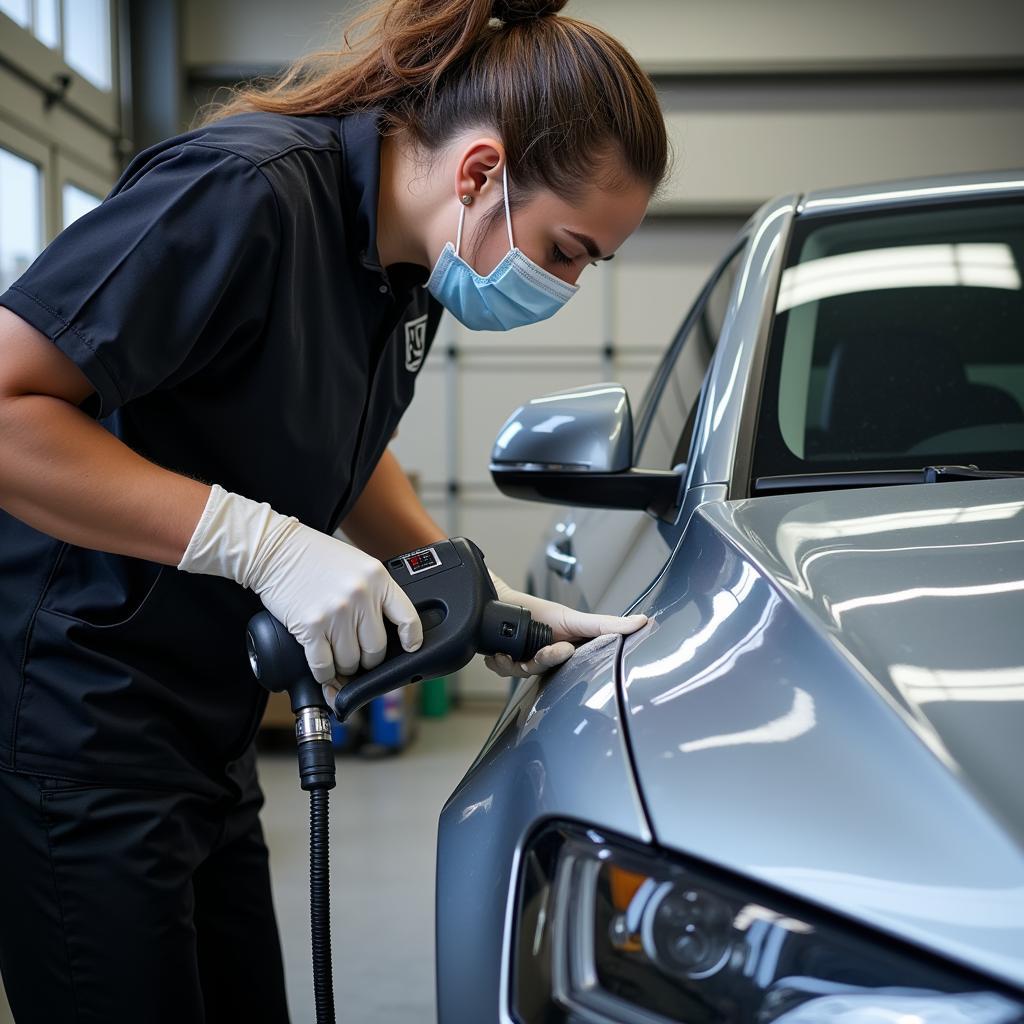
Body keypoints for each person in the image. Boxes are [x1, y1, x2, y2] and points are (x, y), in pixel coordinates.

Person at [0, 0, 668, 1019]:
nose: (567, 282)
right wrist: (258, 542)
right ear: (482, 173)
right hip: (74, 718)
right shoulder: (243, 196)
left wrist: (480, 593)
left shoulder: (412, 272)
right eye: (569, 249)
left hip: (204, 724)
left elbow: (338, 453)